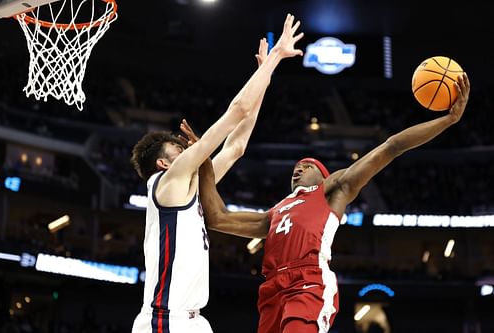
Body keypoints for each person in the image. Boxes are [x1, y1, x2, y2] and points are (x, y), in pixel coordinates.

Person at [196, 73, 470, 333]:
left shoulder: (333, 190)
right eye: (296, 166)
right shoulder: (275, 213)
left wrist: (448, 120)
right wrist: (204, 165)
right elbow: (217, 218)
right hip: (272, 289)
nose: (298, 168)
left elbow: (392, 146)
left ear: (325, 176)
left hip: (308, 283)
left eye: (307, 165)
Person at [129, 14, 304, 333]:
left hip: (194, 320)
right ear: (164, 164)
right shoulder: (167, 182)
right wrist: (275, 58)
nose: (185, 149)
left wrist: (264, 76)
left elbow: (235, 147)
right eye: (177, 149)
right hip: (165, 319)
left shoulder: (191, 186)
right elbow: (236, 111)